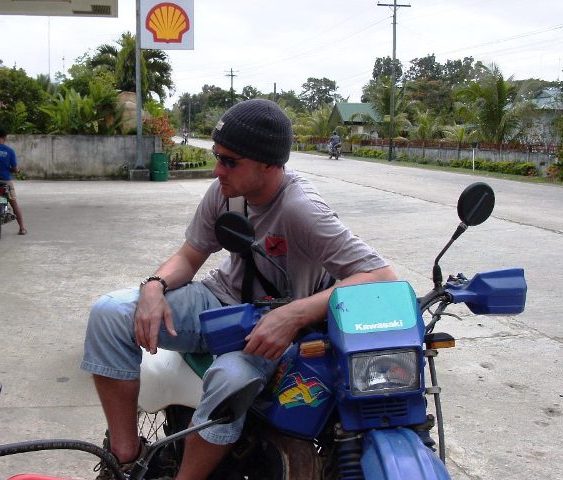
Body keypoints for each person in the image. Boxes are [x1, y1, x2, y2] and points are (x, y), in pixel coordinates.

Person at [81, 99, 397, 480]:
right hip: (220, 300)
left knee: (228, 382)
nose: (218, 170)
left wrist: (293, 315)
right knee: (109, 314)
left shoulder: (301, 209)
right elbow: (189, 256)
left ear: (269, 164)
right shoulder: (225, 192)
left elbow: (381, 276)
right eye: (218, 157)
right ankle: (126, 457)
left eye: (230, 161)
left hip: (270, 325)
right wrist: (154, 286)